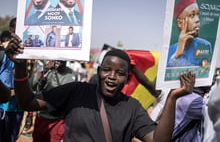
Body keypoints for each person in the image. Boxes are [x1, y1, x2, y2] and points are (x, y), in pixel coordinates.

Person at [6, 34, 196, 142]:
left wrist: (172, 99)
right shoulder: (76, 91)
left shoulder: (133, 107)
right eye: (107, 70)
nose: (112, 77)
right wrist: (20, 67)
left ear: (126, 77)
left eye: (120, 73)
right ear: (99, 71)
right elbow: (27, 102)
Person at [32, 60, 76, 142]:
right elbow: (33, 86)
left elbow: (61, 96)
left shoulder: (71, 75)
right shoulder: (48, 71)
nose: (58, 62)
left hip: (58, 121)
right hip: (42, 117)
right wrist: (43, 72)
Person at [167, 0, 212, 67]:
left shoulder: (204, 45)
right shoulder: (170, 50)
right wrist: (177, 53)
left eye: (198, 15)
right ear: (180, 23)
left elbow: (205, 70)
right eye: (192, 15)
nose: (197, 20)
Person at [0, 19, 24, 142]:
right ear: (11, 32)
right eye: (17, 31)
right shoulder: (2, 54)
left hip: (17, 109)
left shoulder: (25, 55)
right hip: (2, 108)